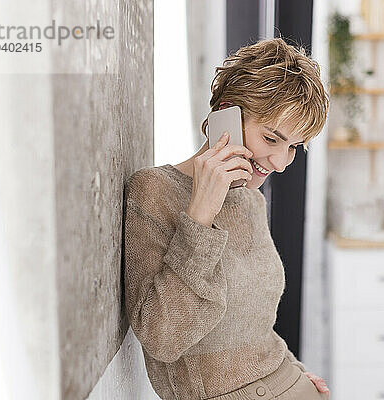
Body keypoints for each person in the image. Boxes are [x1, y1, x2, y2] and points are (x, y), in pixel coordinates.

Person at [123, 38, 329, 400]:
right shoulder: (153, 192)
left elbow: (254, 321)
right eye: (272, 138)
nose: (281, 163)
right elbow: (163, 338)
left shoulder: (250, 200)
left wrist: (296, 371)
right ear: (225, 114)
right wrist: (200, 215)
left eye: (294, 147)